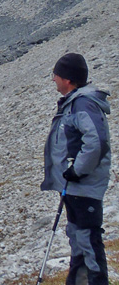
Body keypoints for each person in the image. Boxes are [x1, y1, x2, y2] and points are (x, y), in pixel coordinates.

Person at [41, 52, 112, 284]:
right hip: (74, 187)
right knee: (79, 239)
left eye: (56, 75)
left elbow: (97, 142)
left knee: (88, 242)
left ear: (68, 79)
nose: (53, 79)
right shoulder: (75, 102)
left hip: (83, 186)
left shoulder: (82, 103)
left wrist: (77, 170)